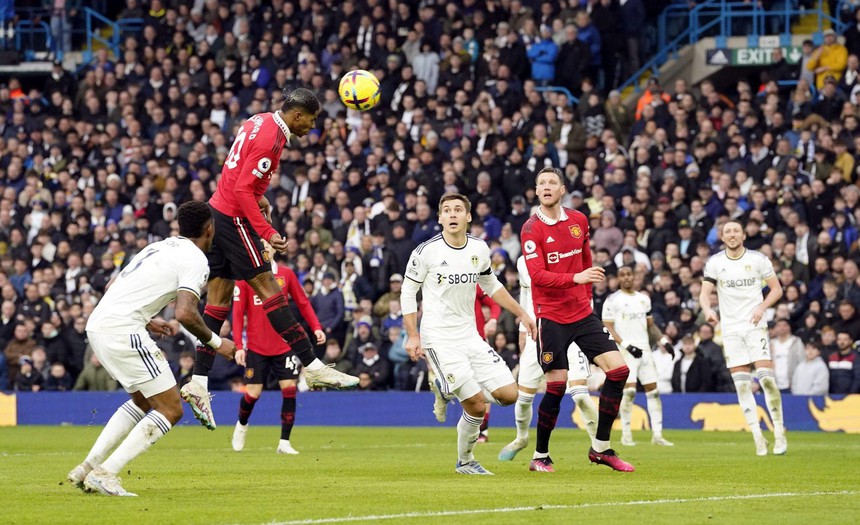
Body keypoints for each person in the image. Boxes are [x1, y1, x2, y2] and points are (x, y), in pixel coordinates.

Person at [181, 88, 357, 430]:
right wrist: (265, 231)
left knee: (216, 302)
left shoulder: (256, 121)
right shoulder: (272, 140)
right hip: (233, 218)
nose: (313, 126)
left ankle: (198, 382)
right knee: (269, 287)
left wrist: (260, 199)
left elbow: (239, 172)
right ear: (297, 115)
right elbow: (243, 189)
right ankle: (313, 365)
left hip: (217, 211)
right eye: (312, 119)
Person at [67, 201, 237, 497]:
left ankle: (86, 467)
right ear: (209, 229)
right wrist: (217, 342)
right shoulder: (196, 260)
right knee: (171, 409)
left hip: (99, 324)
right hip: (122, 329)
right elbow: (185, 313)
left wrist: (148, 318)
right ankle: (106, 473)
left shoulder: (157, 247)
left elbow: (113, 287)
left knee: (143, 401)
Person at [402, 193, 537, 475]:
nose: (452, 214)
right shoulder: (426, 251)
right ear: (440, 218)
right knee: (475, 404)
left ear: (468, 217)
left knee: (509, 394)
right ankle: (465, 462)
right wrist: (413, 335)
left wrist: (521, 313)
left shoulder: (479, 248)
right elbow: (407, 292)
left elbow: (492, 285)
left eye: (458, 210)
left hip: (469, 335)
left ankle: (446, 387)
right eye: (447, 210)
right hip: (438, 337)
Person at [519, 167, 634, 473]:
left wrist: (585, 290)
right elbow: (537, 276)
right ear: (536, 191)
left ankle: (600, 448)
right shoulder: (531, 229)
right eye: (541, 183)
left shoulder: (579, 221)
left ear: (561, 190)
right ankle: (540, 456)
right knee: (556, 386)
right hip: (552, 316)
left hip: (582, 312)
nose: (546, 187)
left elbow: (585, 261)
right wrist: (577, 277)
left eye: (551, 183)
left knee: (619, 371)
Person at [497, 255, 599, 462]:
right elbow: (526, 295)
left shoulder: (570, 253)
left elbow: (587, 294)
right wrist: (522, 330)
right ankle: (521, 438)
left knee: (579, 394)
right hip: (538, 332)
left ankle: (599, 447)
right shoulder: (523, 261)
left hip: (573, 330)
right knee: (524, 397)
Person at [699, 220, 786, 456]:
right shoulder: (715, 262)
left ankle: (779, 432)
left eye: (736, 230)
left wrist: (762, 306)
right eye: (727, 231)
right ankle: (758, 437)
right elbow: (704, 295)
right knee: (742, 385)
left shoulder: (757, 259)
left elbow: (777, 289)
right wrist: (708, 311)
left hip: (755, 325)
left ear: (744, 235)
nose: (732, 234)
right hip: (731, 330)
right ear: (722, 237)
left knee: (766, 380)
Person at [231, 242, 326, 455]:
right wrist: (238, 345)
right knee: (253, 394)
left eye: (267, 244)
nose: (264, 247)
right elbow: (238, 313)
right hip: (256, 346)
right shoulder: (245, 276)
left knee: (289, 390)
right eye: (260, 244)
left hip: (284, 345)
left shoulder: (286, 274)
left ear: (274, 248)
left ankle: (284, 442)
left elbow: (303, 303)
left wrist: (316, 327)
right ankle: (242, 424)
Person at [602, 265, 675, 447]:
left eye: (629, 274)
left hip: (645, 350)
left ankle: (657, 434)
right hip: (625, 351)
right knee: (629, 392)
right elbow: (607, 327)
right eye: (622, 275)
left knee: (653, 392)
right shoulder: (612, 300)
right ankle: (626, 434)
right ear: (618, 278)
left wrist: (664, 341)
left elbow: (650, 325)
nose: (626, 278)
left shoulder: (644, 299)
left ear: (634, 277)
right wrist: (626, 344)